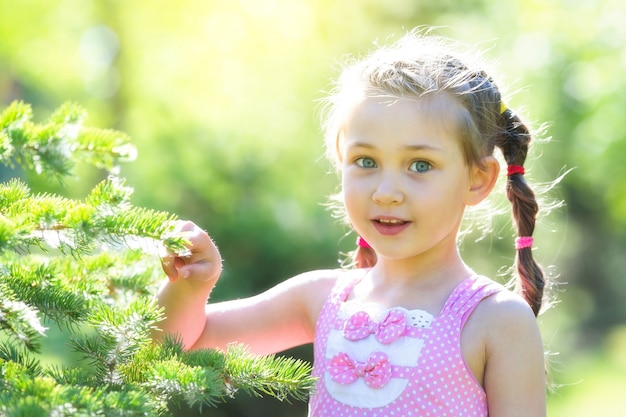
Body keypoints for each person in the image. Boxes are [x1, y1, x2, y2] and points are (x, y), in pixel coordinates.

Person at [155, 29, 550, 417]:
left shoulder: (495, 320)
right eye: (366, 162)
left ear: (477, 179)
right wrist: (191, 287)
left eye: (420, 165)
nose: (386, 191)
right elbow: (175, 349)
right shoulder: (320, 299)